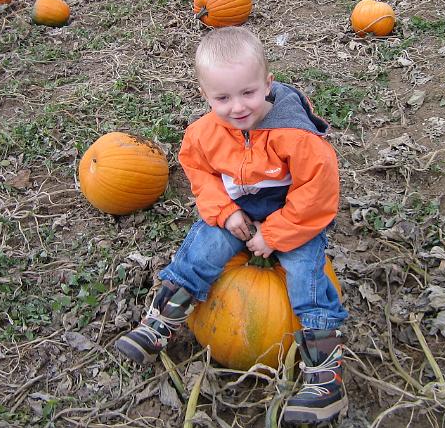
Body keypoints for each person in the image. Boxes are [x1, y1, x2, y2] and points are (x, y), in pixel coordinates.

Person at [115, 26, 349, 425]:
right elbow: (200, 173)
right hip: (238, 211)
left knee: (305, 276)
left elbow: (317, 194)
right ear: (205, 96)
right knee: (204, 246)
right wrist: (225, 212)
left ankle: (325, 378)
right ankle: (161, 320)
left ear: (267, 85)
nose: (237, 106)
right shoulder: (203, 134)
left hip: (291, 218)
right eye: (222, 98)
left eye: (248, 93)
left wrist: (274, 234)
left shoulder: (297, 136)